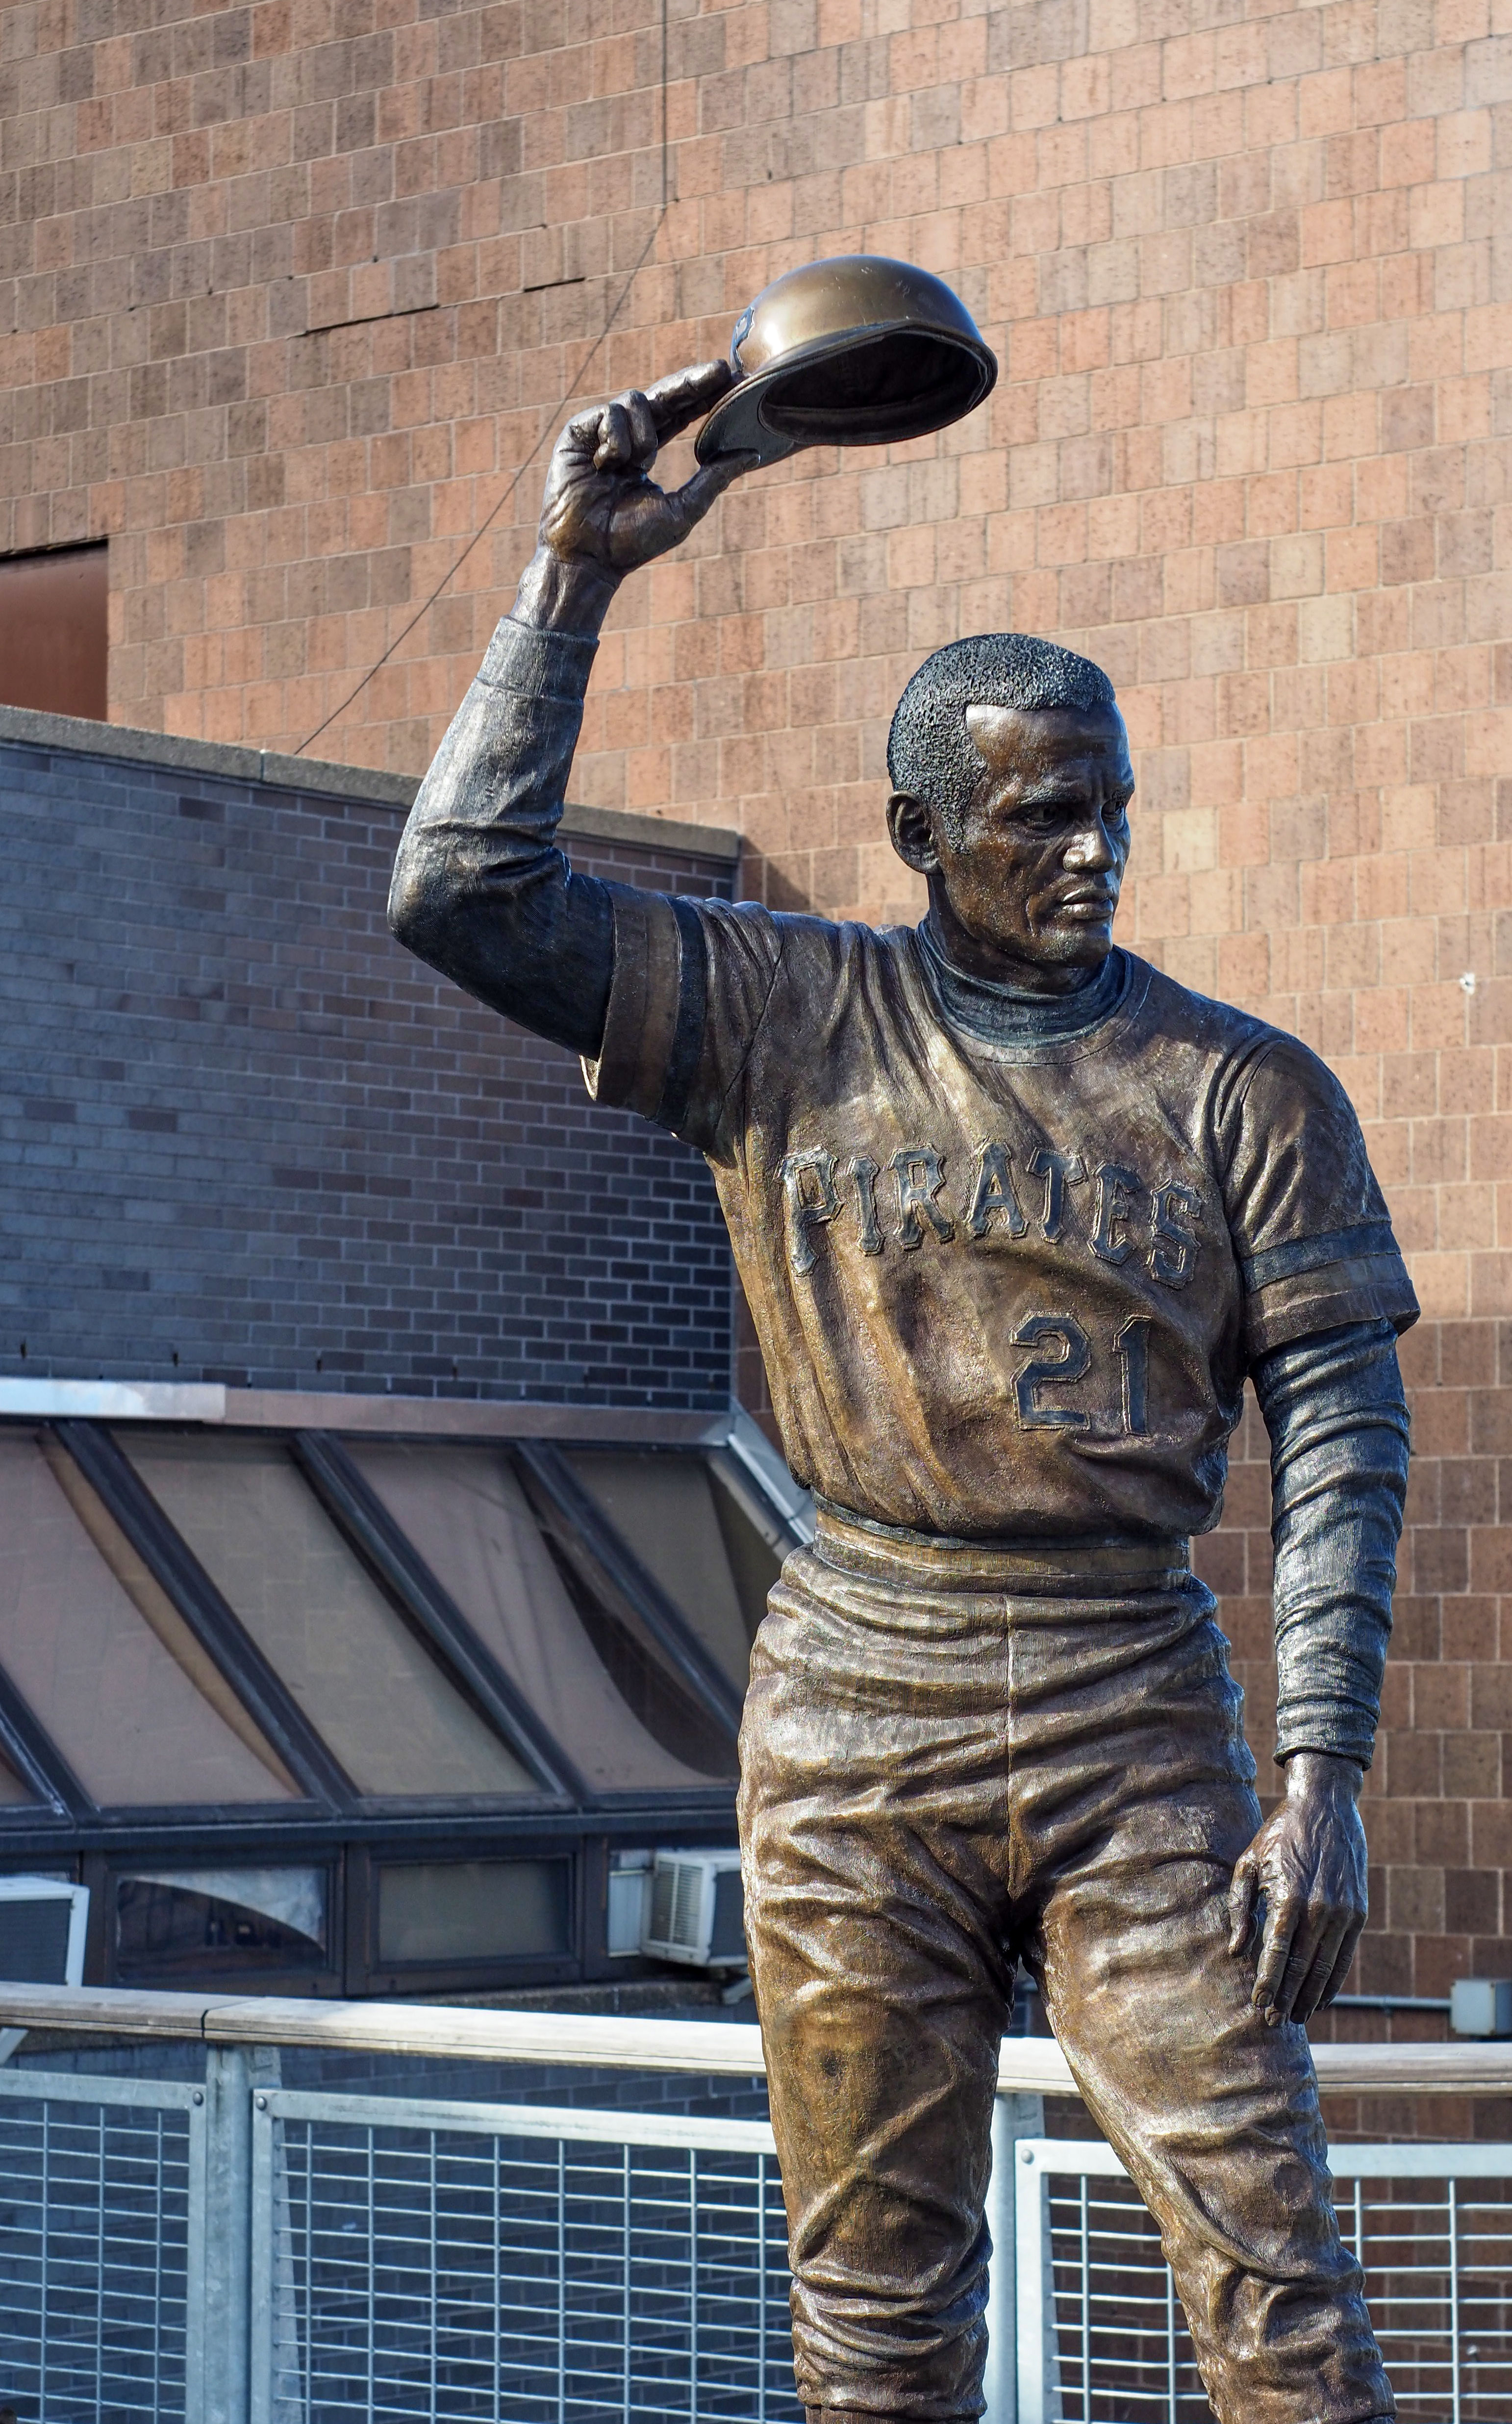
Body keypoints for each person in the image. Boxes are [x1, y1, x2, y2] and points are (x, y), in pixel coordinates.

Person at [391, 357, 1414, 2424]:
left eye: (1110, 803)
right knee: (873, 2319)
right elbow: (458, 895)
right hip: (859, 1692)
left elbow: (1343, 1436)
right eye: (1043, 814)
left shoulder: (1239, 1089)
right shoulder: (782, 1009)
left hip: (1136, 1702)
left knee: (1272, 2272)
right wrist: (569, 579)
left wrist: (1320, 1775)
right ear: (919, 835)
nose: (1095, 848)